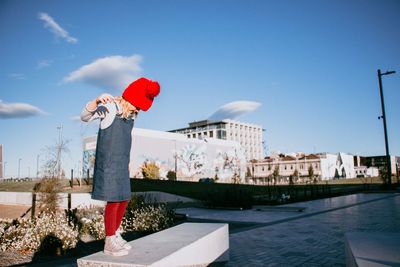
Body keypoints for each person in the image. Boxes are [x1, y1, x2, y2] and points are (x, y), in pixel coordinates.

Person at [80, 77, 160, 256]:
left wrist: (127, 160)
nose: (137, 110)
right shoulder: (109, 107)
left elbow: (124, 141)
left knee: (123, 198)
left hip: (122, 162)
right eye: (137, 106)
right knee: (114, 199)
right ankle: (109, 241)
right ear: (130, 98)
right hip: (108, 163)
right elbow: (84, 117)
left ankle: (115, 234)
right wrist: (96, 100)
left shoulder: (130, 115)